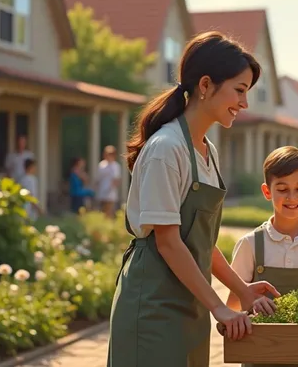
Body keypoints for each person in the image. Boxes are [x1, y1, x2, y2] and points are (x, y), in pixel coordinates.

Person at [107, 32, 280, 367]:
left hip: (190, 302)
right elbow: (169, 243)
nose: (244, 103)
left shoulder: (207, 151)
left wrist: (241, 290)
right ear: (205, 85)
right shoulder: (166, 149)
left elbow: (199, 241)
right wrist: (218, 306)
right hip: (153, 305)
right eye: (239, 91)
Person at [227, 146, 298, 367]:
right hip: (259, 355)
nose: (291, 197)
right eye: (282, 189)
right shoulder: (250, 244)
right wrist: (250, 303)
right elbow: (232, 305)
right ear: (267, 191)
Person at [95, 145, 122, 219]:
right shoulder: (101, 165)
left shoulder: (116, 166)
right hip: (101, 192)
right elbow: (98, 179)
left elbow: (117, 179)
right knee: (101, 212)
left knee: (109, 212)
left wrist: (110, 188)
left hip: (111, 194)